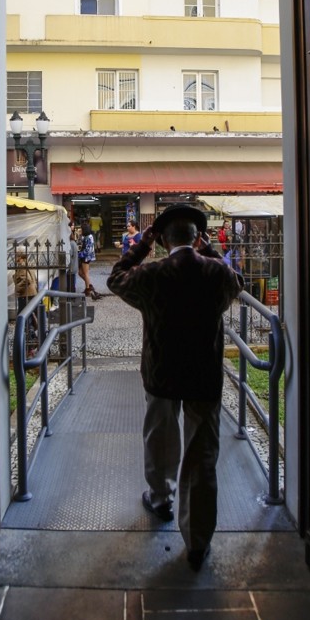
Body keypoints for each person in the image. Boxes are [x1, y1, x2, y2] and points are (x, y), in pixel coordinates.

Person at [106, 203, 243, 570]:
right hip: (203, 376)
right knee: (202, 454)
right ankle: (197, 539)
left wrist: (141, 246)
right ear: (197, 238)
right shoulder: (216, 273)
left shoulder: (152, 274)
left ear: (162, 240)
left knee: (160, 436)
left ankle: (161, 497)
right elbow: (237, 284)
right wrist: (209, 249)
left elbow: (116, 277)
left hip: (161, 373)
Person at [77, 224, 101, 300]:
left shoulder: (89, 237)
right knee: (80, 273)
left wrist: (79, 254)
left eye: (81, 229)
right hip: (84, 257)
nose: (80, 230)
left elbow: (88, 250)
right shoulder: (86, 236)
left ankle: (88, 289)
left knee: (85, 273)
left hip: (86, 257)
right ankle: (89, 286)